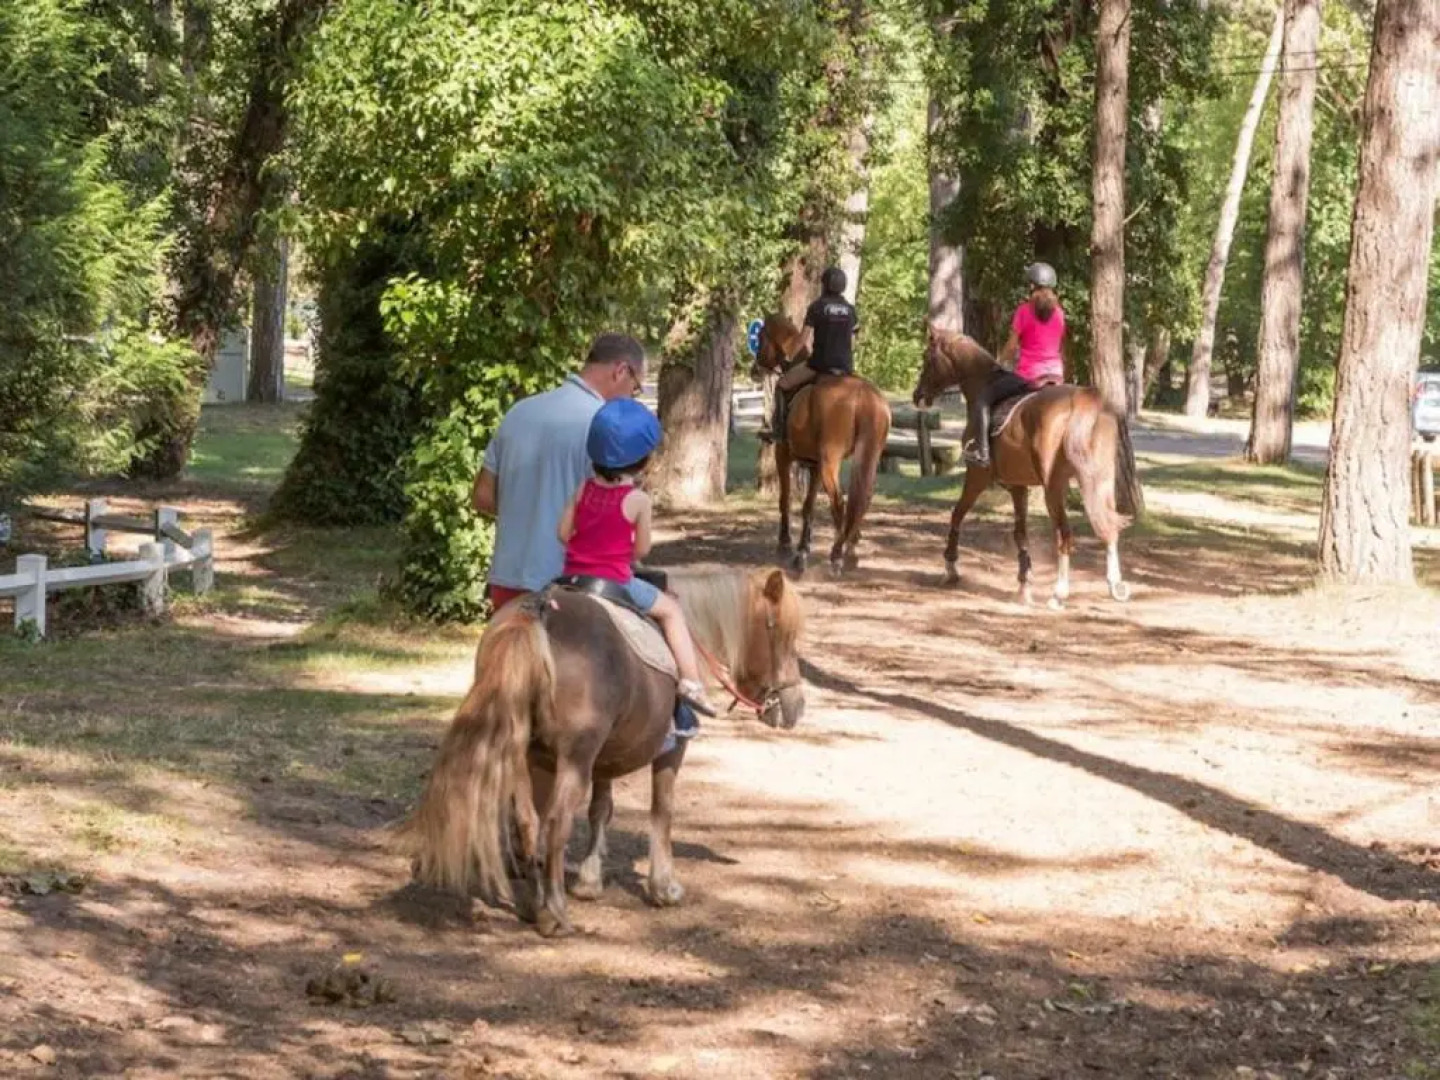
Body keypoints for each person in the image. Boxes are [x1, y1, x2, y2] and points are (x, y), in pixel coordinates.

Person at [558, 398, 717, 719]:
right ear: (643, 461)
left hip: (571, 580)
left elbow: (562, 534)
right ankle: (691, 682)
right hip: (614, 582)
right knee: (671, 611)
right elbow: (642, 551)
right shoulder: (638, 500)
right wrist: (617, 550)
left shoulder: (582, 489)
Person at [472, 332, 645, 612]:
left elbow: (482, 497)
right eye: (635, 388)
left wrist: (530, 513)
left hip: (506, 583)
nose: (631, 397)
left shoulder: (518, 412)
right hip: (568, 587)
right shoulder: (604, 429)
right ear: (621, 371)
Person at [961, 261, 1070, 467]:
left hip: (1029, 375)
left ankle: (983, 453)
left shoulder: (1024, 311)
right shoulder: (1059, 314)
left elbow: (1012, 346)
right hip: (1056, 375)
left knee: (983, 399)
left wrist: (999, 363)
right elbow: (1059, 344)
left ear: (1031, 286)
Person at [771, 266, 859, 439]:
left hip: (819, 365)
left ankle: (780, 431)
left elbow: (802, 339)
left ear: (824, 285)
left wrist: (789, 358)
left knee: (782, 385)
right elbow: (853, 341)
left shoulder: (817, 307)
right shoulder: (851, 310)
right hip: (845, 367)